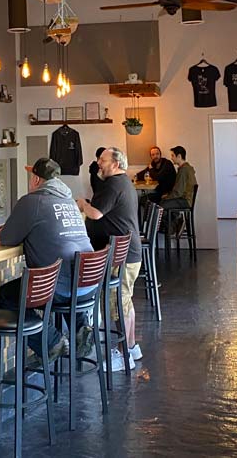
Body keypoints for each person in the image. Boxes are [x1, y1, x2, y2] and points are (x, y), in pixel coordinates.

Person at [0, 158, 95, 361]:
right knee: (65, 283)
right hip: (88, 285)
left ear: (36, 179)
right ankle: (80, 326)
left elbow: (7, 239)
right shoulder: (70, 202)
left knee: (3, 298)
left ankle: (50, 341)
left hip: (57, 287)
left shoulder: (32, 201)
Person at [76, 147, 143, 371]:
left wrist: (83, 204)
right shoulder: (121, 182)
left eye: (102, 160)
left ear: (115, 163)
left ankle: (123, 356)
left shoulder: (113, 184)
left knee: (118, 305)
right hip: (128, 254)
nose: (98, 163)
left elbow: (95, 213)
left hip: (120, 257)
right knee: (125, 302)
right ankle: (131, 347)